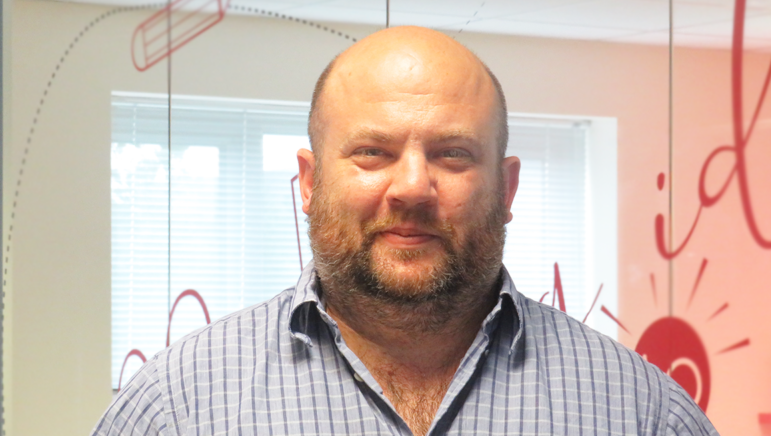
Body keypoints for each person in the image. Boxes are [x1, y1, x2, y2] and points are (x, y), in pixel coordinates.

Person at [92, 26, 718, 436]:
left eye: (452, 154)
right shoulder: (176, 410)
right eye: (372, 151)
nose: (413, 187)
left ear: (508, 189)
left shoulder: (642, 413)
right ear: (308, 183)